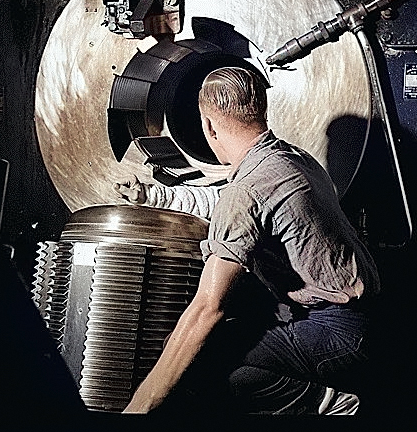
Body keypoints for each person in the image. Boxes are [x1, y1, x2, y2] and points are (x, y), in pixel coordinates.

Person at [114, 66, 381, 416]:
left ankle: (327, 402)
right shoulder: (292, 159)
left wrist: (140, 405)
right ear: (261, 111)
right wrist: (154, 195)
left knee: (200, 368)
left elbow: (207, 309)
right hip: (364, 319)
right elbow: (234, 202)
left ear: (208, 126)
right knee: (191, 349)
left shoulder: (247, 190)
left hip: (339, 335)